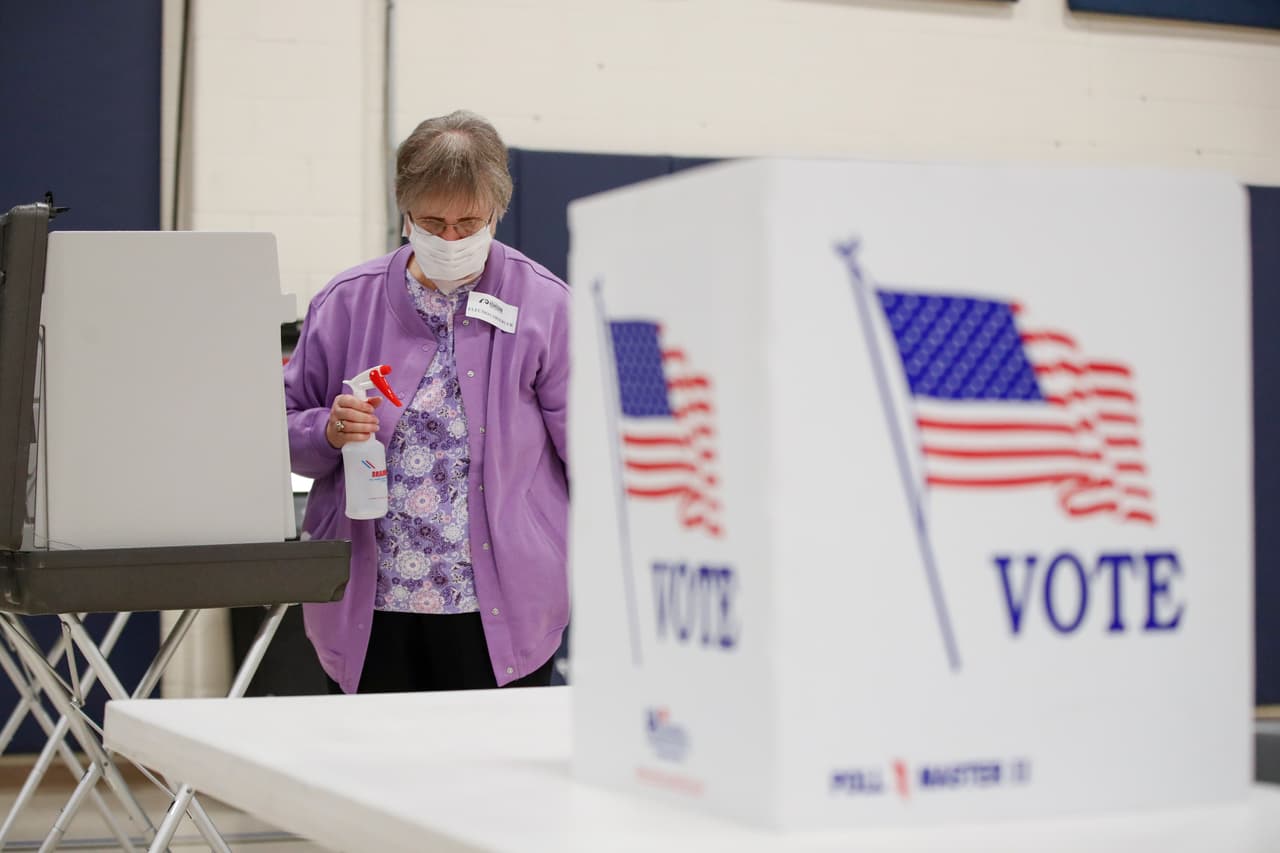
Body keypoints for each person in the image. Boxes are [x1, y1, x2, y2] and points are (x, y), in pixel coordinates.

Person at [283, 110, 569, 694]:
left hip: (505, 607)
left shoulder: (544, 306)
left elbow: (593, 454)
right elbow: (279, 431)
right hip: (374, 601)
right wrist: (328, 431)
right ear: (404, 211)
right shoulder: (346, 304)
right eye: (433, 222)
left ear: (497, 212)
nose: (452, 240)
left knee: (492, 776)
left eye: (470, 222)